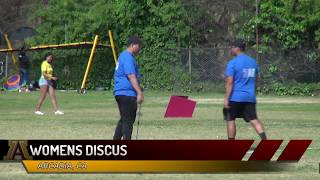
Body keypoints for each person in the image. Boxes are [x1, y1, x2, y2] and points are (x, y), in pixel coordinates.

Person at [224, 39, 267, 140]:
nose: (231, 49)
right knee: (254, 120)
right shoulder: (253, 62)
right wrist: (252, 92)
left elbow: (230, 82)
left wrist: (226, 98)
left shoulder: (232, 63)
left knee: (230, 119)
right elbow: (257, 80)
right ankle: (265, 141)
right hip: (249, 97)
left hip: (235, 97)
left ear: (237, 48)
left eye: (232, 47)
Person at [113, 36, 144, 140]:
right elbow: (131, 75)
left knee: (124, 119)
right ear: (133, 45)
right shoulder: (127, 57)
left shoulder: (123, 56)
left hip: (120, 92)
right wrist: (139, 92)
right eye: (139, 46)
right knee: (128, 120)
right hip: (127, 94)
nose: (140, 49)